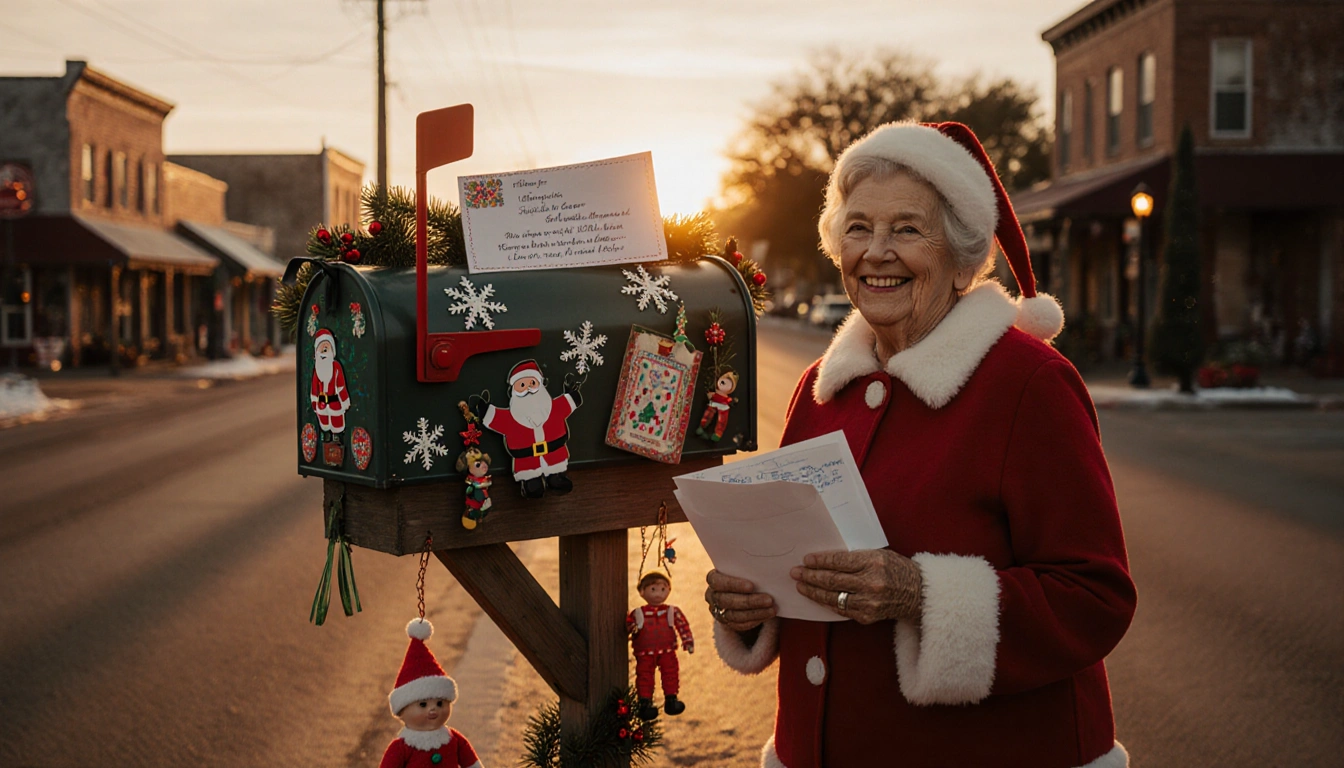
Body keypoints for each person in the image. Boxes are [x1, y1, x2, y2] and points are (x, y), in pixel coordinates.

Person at [703, 122, 1136, 768]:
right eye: (858, 228)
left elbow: (1095, 599)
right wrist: (748, 606)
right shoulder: (819, 388)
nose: (877, 252)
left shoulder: (1030, 384)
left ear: (963, 253)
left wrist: (918, 593)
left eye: (907, 229)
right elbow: (801, 572)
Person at [381, 618, 483, 768]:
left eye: (440, 703)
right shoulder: (402, 747)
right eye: (423, 704)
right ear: (402, 710)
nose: (433, 709)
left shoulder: (452, 739)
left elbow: (470, 762)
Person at [626, 571, 695, 719]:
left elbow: (682, 626)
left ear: (669, 590)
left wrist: (687, 641)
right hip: (644, 652)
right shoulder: (638, 613)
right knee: (645, 676)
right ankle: (645, 703)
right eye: (653, 589)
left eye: (663, 589)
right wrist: (632, 628)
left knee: (670, 674)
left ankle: (671, 699)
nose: (658, 594)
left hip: (668, 651)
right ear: (642, 591)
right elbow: (628, 626)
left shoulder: (671, 611)